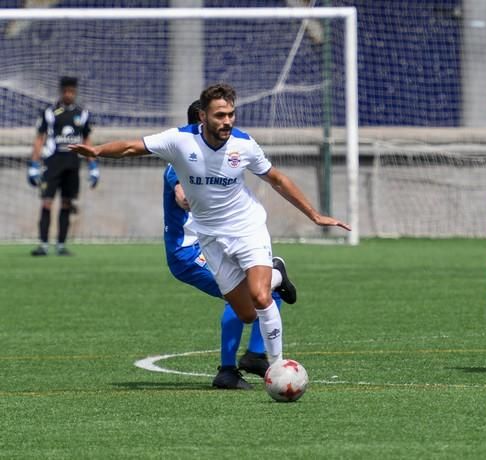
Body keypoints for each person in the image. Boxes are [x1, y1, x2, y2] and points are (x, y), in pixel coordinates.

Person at [70, 82, 350, 372]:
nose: (227, 120)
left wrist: (315, 215)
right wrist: (97, 151)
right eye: (219, 115)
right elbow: (131, 147)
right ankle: (276, 274)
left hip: (246, 227)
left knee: (260, 296)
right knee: (246, 313)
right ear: (203, 116)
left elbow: (276, 179)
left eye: (230, 114)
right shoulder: (179, 141)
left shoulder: (244, 144)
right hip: (210, 238)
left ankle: (278, 367)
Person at [163, 100, 296, 389]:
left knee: (269, 295)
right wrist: (187, 195)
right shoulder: (183, 161)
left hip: (213, 244)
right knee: (243, 294)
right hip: (188, 252)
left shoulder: (217, 155)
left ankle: (256, 356)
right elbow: (180, 192)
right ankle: (227, 370)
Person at [28, 76, 99, 256]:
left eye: (72, 92)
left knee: (67, 203)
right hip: (52, 163)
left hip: (72, 165)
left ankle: (61, 244)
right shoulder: (50, 112)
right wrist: (34, 164)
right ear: (61, 92)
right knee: (47, 202)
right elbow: (39, 138)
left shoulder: (82, 114)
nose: (69, 94)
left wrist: (93, 165)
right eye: (66, 91)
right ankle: (43, 244)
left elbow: (87, 139)